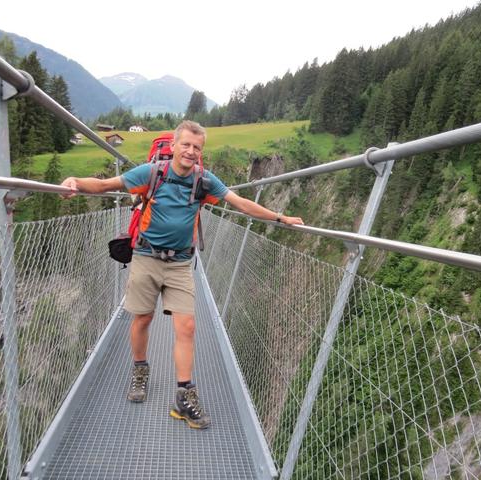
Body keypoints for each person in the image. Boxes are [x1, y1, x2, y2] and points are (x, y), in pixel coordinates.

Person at [61, 120, 304, 429]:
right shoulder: (151, 173)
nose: (191, 151)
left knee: (187, 326)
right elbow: (108, 185)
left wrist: (279, 217)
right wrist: (75, 183)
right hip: (146, 255)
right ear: (174, 146)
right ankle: (140, 369)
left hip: (179, 262)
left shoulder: (205, 181)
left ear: (201, 152)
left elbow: (240, 203)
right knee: (142, 318)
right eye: (186, 144)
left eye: (197, 147)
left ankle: (183, 396)